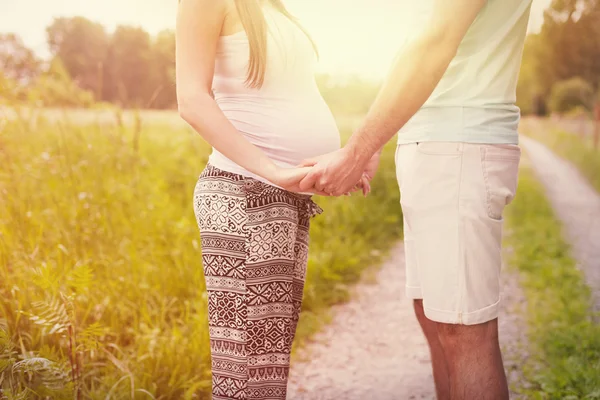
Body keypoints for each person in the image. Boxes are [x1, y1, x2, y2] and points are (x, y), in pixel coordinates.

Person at [298, 0, 533, 399]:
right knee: (437, 320)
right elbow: (418, 43)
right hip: (436, 144)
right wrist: (378, 141)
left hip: (458, 145)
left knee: (464, 331)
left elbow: (435, 41)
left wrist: (356, 152)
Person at [175, 1, 369, 399]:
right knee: (245, 372)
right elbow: (191, 100)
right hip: (244, 195)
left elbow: (289, 97)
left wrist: (342, 163)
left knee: (266, 367)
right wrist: (274, 170)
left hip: (284, 199)